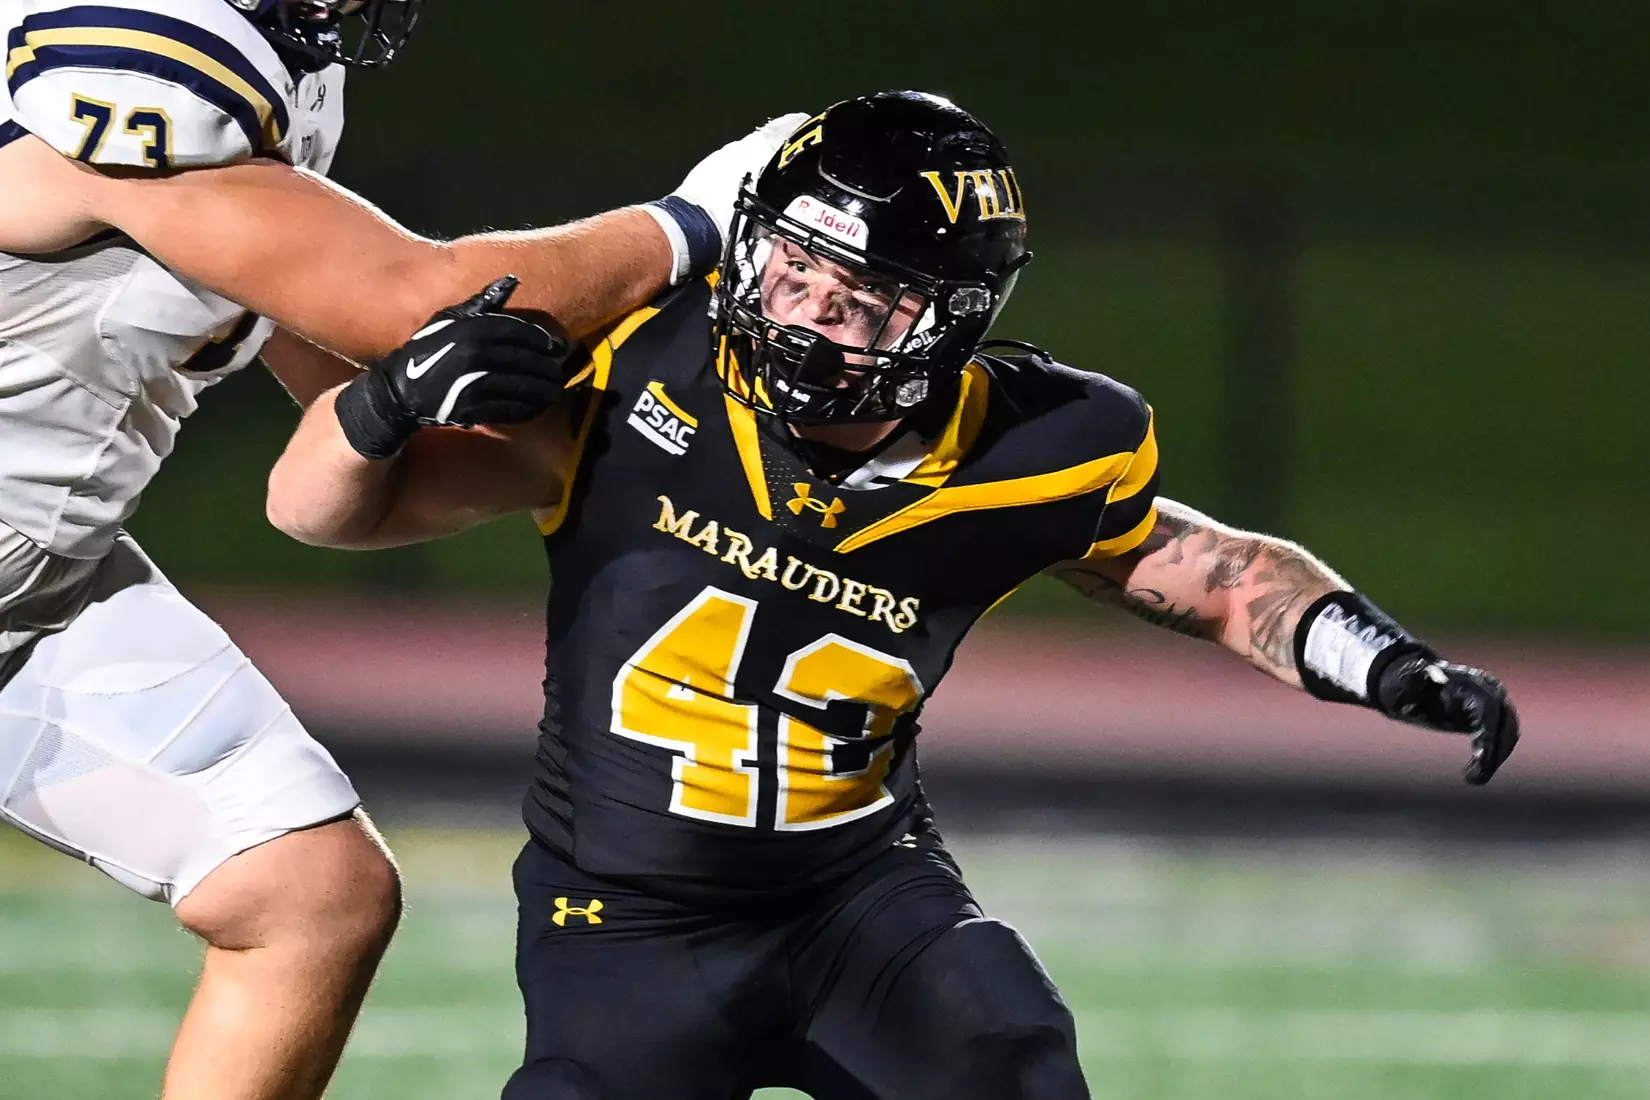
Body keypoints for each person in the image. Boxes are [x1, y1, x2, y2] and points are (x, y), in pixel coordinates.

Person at [265, 91, 1521, 1100]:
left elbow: (1213, 576)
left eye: (862, 299)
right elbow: (318, 510)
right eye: (793, 269)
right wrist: (381, 404)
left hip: (856, 894)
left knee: (1013, 1056)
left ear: (950, 321)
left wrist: (1385, 660)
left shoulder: (1035, 448)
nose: (810, 313)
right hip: (627, 912)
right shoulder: (646, 366)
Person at [0, 0, 798, 1096]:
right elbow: (416, 300)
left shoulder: (269, 78)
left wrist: (621, 447)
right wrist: (696, 223)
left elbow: (363, 379)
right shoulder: (138, 49)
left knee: (309, 895)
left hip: (46, 583)